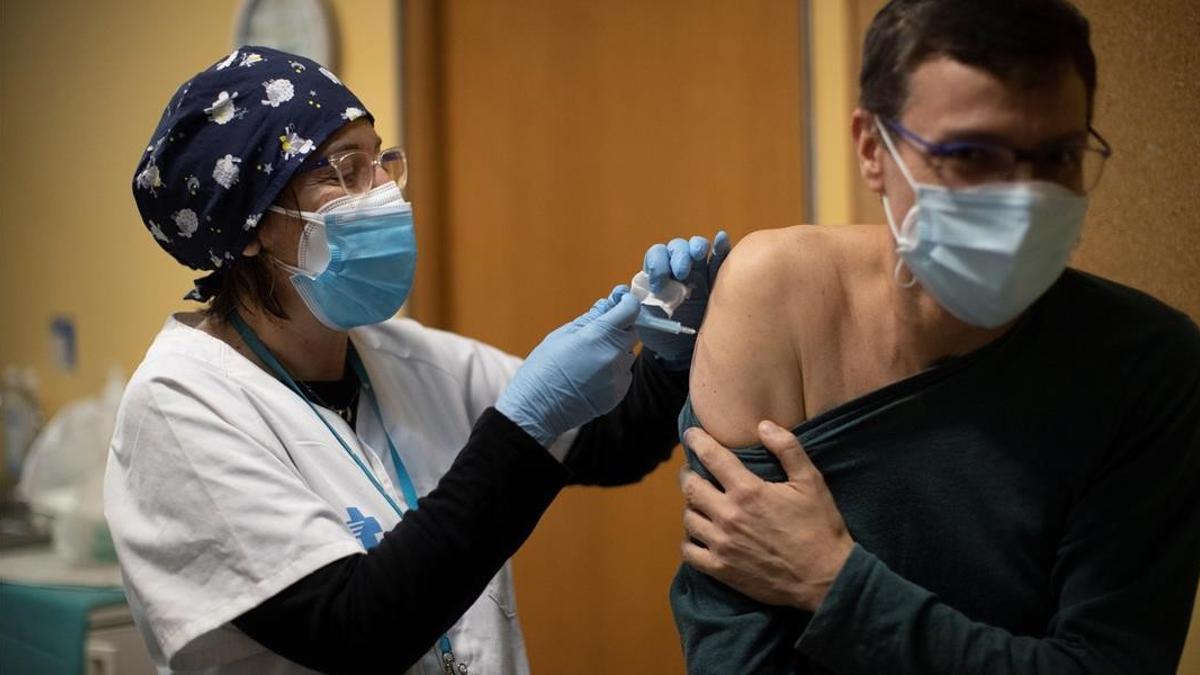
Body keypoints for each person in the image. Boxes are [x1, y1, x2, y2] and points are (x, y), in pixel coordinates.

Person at [105, 46, 727, 674]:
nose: (383, 194)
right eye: (344, 171)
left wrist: (670, 359)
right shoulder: (180, 405)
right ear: (252, 223)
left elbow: (606, 443)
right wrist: (523, 424)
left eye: (381, 162)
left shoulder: (401, 355)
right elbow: (355, 629)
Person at [670, 1, 1200, 673]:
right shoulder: (778, 295)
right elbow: (732, 637)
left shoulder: (1147, 366)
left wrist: (833, 582)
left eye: (1058, 157)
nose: (1024, 198)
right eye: (973, 155)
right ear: (872, 148)